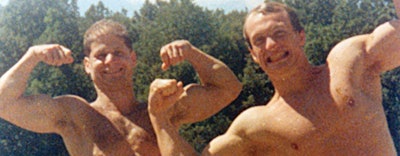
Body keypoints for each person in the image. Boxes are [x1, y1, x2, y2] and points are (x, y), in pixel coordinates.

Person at [148, 1, 400, 155]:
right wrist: (159, 118)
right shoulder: (258, 125)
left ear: (300, 36)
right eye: (259, 40)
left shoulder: (348, 63)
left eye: (279, 33)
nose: (271, 45)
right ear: (253, 55)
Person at [0, 19, 242, 155]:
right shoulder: (75, 115)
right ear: (86, 64)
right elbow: (3, 103)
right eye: (101, 55)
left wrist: (191, 52)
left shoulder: (160, 108)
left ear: (132, 59)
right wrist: (31, 56)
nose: (111, 61)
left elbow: (228, 88)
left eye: (118, 53)